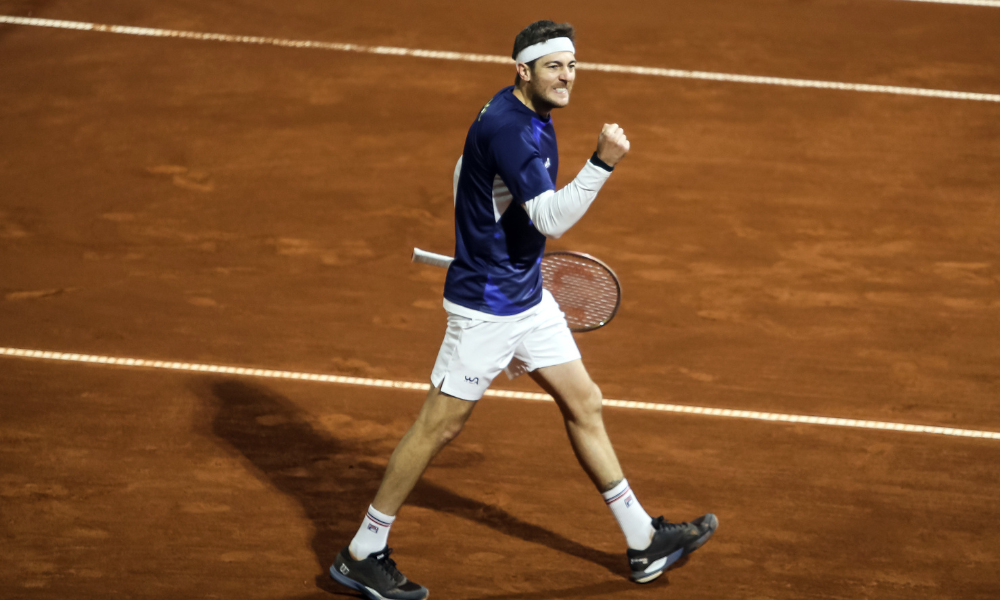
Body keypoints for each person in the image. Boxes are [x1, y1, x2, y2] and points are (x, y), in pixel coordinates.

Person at [329, 20, 717, 600]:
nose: (567, 77)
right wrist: (602, 163)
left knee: (584, 400)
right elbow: (551, 219)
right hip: (487, 307)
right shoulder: (512, 129)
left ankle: (643, 540)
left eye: (572, 66)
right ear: (523, 70)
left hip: (526, 295)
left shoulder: (515, 115)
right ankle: (362, 551)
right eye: (554, 66)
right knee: (441, 424)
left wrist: (481, 231)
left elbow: (465, 173)